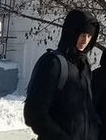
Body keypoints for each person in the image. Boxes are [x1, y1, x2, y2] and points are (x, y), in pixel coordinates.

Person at [24, 9, 101, 140]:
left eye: (89, 36)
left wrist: (95, 129)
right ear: (71, 32)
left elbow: (87, 108)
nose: (85, 40)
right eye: (82, 34)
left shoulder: (84, 65)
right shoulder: (52, 63)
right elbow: (34, 114)